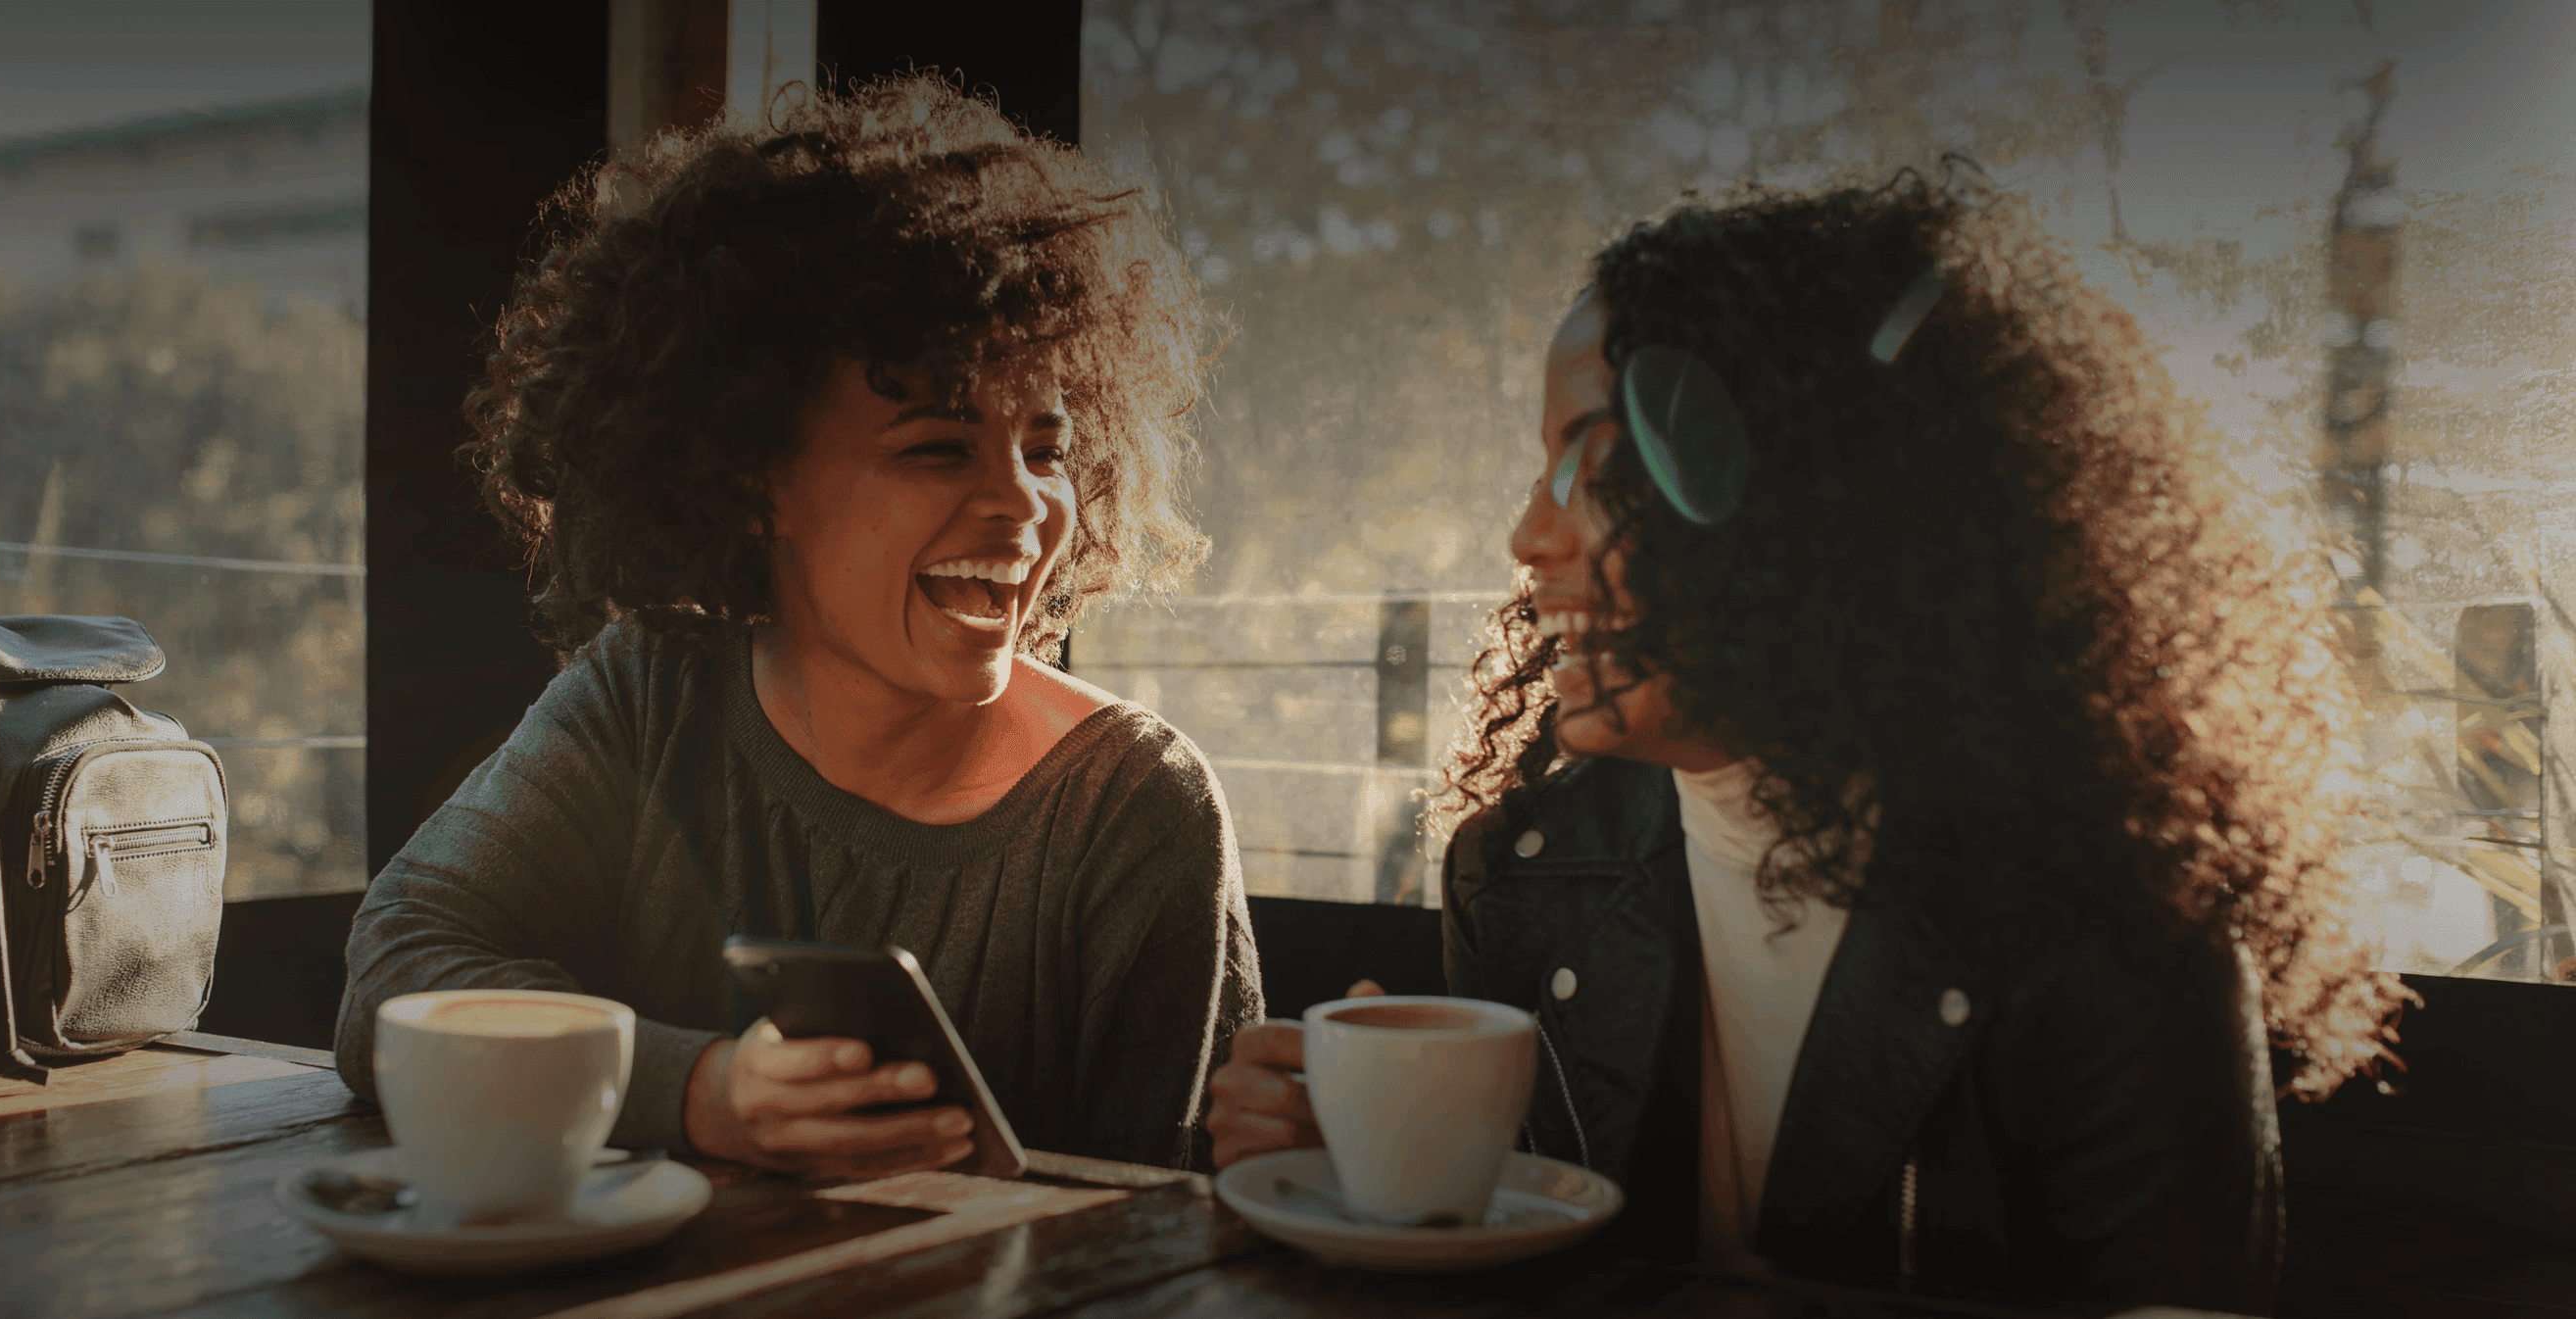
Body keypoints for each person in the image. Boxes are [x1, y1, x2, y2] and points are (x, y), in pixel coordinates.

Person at [1206, 174, 2410, 1311]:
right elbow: (1511, 1272)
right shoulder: (1522, 870)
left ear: (1809, 499)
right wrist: (1360, 1177)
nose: (1530, 532)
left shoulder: (2105, 916)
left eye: (1598, 463)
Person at [337, 76, 1261, 1178]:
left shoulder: (1135, 806)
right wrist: (699, 1089)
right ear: (751, 473)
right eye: (937, 444)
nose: (1023, 504)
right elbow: (395, 974)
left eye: (1048, 449)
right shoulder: (650, 698)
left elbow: (1175, 1226)